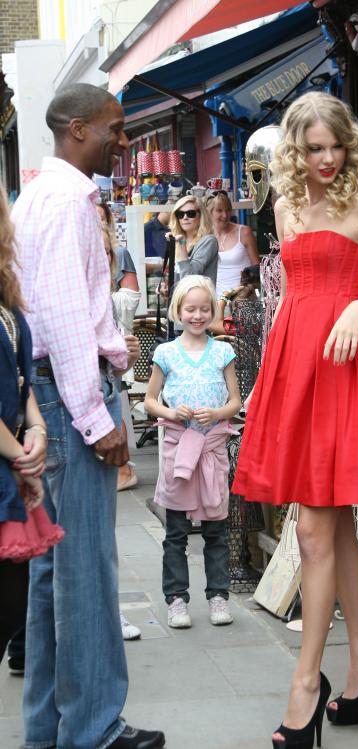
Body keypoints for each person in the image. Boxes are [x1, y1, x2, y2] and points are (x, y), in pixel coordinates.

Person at [231, 91, 358, 749]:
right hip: (297, 367)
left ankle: (305, 683)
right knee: (334, 521)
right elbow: (293, 293)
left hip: (347, 370)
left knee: (317, 529)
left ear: (348, 143)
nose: (325, 159)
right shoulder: (285, 206)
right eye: (312, 148)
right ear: (295, 151)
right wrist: (275, 372)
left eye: (334, 146)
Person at [11, 83, 165, 749]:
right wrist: (98, 422)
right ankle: (94, 729)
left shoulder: (44, 193)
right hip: (72, 393)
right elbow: (66, 315)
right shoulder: (69, 197)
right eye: (115, 128)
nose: (123, 140)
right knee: (83, 571)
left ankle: (51, 728)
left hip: (52, 391)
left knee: (53, 574)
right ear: (77, 129)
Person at [144, 275, 241, 629]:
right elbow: (150, 400)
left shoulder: (223, 351)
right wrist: (171, 413)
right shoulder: (165, 353)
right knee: (176, 532)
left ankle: (218, 596)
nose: (197, 316)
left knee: (216, 529)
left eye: (204, 309)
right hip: (178, 450)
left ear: (212, 310)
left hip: (212, 451)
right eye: (190, 309)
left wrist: (216, 414)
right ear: (178, 311)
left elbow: (235, 402)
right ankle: (176, 599)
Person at [0, 183, 64, 665]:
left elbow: (20, 379)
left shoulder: (7, 296)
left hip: (11, 465)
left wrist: (37, 429)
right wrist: (22, 454)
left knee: (12, 608)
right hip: (9, 463)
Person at [98, 204, 141, 494]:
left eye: (101, 217)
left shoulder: (120, 252)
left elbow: (132, 294)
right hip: (102, 339)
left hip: (113, 336)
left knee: (113, 394)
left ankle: (123, 467)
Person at [206, 190, 259, 296]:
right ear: (209, 212)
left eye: (228, 210)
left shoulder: (244, 232)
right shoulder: (205, 236)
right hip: (216, 299)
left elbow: (258, 268)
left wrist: (250, 286)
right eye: (219, 210)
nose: (225, 215)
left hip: (245, 298)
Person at [165, 195, 219, 287]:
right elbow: (178, 275)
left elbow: (189, 277)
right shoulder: (178, 240)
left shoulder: (208, 241)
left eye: (191, 213)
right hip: (179, 299)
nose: (185, 217)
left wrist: (182, 244)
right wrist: (165, 286)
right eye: (180, 214)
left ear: (201, 216)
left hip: (199, 300)